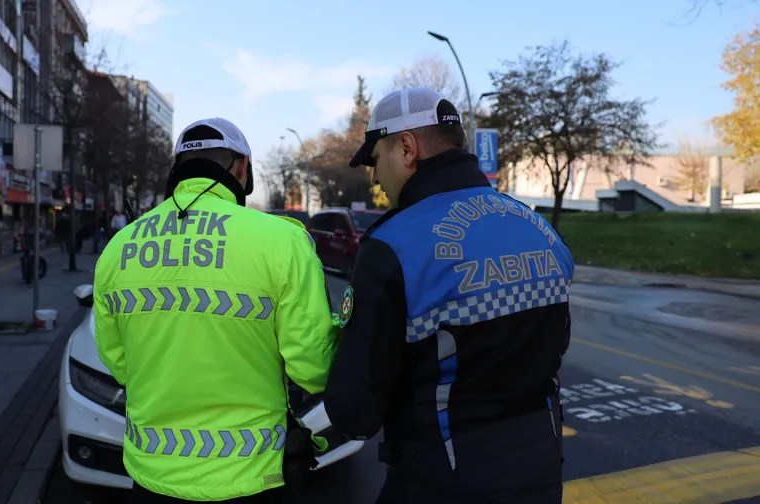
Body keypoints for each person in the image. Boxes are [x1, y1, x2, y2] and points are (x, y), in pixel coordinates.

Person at [323, 87, 574, 503]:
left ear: (406, 147)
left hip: (441, 480)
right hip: (541, 472)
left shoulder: (393, 246)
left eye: (375, 160)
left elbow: (355, 412)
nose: (376, 178)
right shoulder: (539, 229)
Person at [93, 117, 339, 503]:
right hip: (252, 476)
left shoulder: (118, 247)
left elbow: (117, 360)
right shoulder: (282, 242)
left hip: (153, 475)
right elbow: (314, 368)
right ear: (243, 168)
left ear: (176, 171)